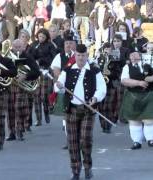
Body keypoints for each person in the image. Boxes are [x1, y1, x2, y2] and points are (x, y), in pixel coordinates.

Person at [56, 44, 106, 180]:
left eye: (83, 55)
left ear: (87, 56)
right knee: (72, 141)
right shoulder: (67, 70)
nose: (81, 58)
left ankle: (88, 168)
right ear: (75, 56)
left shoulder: (95, 71)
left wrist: (95, 98)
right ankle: (75, 170)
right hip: (71, 109)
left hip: (87, 110)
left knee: (85, 140)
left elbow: (102, 88)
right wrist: (59, 86)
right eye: (78, 55)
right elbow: (58, 87)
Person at [120, 51, 153, 149]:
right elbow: (124, 80)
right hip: (133, 95)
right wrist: (138, 83)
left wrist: (152, 78)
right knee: (134, 120)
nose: (132, 56)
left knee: (149, 119)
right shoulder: (127, 67)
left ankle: (151, 140)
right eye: (131, 55)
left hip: (149, 95)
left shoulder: (147, 65)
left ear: (140, 56)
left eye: (135, 54)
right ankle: (137, 142)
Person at [8, 39, 40, 140]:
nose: (17, 49)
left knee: (18, 109)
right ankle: (11, 133)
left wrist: (25, 75)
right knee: (10, 110)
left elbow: (36, 72)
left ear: (23, 47)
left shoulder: (28, 57)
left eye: (19, 47)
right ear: (12, 47)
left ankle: (19, 130)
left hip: (22, 87)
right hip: (10, 86)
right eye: (15, 47)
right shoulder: (8, 57)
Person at [29, 28, 57, 126]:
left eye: (43, 37)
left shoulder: (50, 45)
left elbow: (53, 58)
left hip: (46, 70)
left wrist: (41, 60)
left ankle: (46, 112)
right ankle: (39, 119)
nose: (41, 38)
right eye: (40, 36)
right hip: (36, 71)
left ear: (46, 37)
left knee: (45, 95)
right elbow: (29, 56)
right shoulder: (33, 45)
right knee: (36, 95)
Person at [96, 42, 122, 133]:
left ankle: (108, 125)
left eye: (109, 49)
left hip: (110, 84)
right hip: (100, 85)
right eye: (106, 49)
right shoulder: (99, 59)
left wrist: (110, 73)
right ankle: (103, 124)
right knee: (101, 106)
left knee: (108, 105)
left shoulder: (115, 60)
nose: (107, 51)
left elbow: (118, 73)